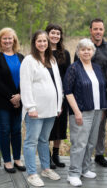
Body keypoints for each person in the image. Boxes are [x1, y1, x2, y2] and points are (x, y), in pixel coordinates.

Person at [20, 30, 62, 187]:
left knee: (44, 140)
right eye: (39, 41)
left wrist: (58, 105)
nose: (43, 43)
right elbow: (25, 86)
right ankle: (32, 173)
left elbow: (58, 83)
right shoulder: (29, 61)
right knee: (31, 141)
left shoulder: (52, 59)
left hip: (51, 109)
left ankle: (45, 168)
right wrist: (30, 107)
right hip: (35, 110)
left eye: (45, 41)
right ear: (34, 43)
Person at [64, 38, 107, 187]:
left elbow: (101, 89)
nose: (86, 52)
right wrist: (76, 112)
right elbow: (68, 92)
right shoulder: (73, 68)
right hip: (81, 111)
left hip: (96, 110)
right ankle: (73, 173)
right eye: (83, 49)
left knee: (91, 142)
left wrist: (102, 109)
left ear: (93, 52)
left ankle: (84, 169)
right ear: (78, 52)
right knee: (79, 143)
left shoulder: (96, 68)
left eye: (89, 49)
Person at [75, 18, 107, 167]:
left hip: (102, 96)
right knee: (84, 129)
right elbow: (76, 70)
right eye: (95, 29)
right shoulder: (83, 47)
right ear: (90, 30)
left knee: (100, 127)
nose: (98, 31)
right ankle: (84, 158)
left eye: (101, 29)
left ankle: (99, 154)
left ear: (104, 31)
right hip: (85, 95)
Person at [0, 27, 26, 173]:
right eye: (4, 38)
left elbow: (26, 79)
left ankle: (17, 158)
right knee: (5, 130)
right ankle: (7, 161)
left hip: (19, 100)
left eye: (10, 38)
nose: (7, 41)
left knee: (16, 130)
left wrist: (20, 96)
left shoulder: (21, 57)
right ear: (0, 40)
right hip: (1, 100)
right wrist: (12, 97)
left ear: (14, 40)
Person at [45, 24, 71, 169]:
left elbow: (68, 75)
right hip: (47, 95)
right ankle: (47, 156)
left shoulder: (65, 53)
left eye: (58, 33)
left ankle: (56, 154)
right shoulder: (42, 52)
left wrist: (64, 96)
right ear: (47, 34)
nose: (55, 36)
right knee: (48, 127)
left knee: (60, 127)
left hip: (61, 95)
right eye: (52, 33)